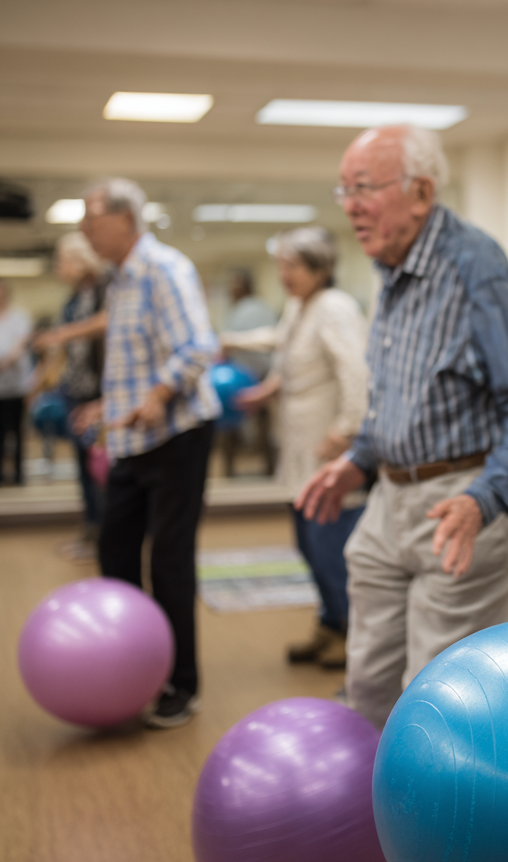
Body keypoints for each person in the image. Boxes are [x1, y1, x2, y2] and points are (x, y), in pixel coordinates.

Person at [297, 125, 508, 729]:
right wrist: (359, 458)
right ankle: (368, 819)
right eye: (344, 189)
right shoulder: (388, 263)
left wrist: (483, 499)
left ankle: (437, 823)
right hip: (390, 497)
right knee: (365, 682)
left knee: (438, 698)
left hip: (463, 501)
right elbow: (399, 391)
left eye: (363, 188)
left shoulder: (474, 266)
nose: (350, 205)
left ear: (419, 193)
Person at [74, 178, 220, 729]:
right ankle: (132, 662)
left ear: (124, 219)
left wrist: (158, 395)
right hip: (132, 437)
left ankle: (182, 683)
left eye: (92, 220)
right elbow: (136, 356)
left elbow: (198, 347)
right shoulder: (119, 279)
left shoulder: (165, 268)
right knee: (114, 551)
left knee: (169, 559)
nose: (86, 231)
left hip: (178, 435)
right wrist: (106, 406)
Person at [222, 227, 368, 670]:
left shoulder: (334, 307)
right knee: (306, 543)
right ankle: (328, 623)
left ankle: (352, 634)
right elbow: (285, 350)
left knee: (331, 546)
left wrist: (346, 431)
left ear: (321, 268)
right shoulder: (299, 307)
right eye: (280, 265)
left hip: (328, 448)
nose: (284, 274)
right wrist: (266, 388)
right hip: (299, 446)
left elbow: (355, 372)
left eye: (294, 266)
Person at [31, 232, 110, 554]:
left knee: (101, 467)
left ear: (80, 261)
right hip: (73, 390)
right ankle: (91, 529)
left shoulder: (106, 288)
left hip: (99, 393)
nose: (58, 268)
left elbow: (106, 324)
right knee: (82, 465)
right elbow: (62, 349)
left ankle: (105, 534)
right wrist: (39, 380)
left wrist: (62, 333)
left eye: (61, 261)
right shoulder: (73, 299)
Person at [219, 268, 277, 476]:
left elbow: (225, 344)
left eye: (235, 286)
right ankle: (263, 468)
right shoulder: (262, 308)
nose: (232, 290)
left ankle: (260, 467)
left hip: (252, 378)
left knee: (258, 427)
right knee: (257, 427)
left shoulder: (245, 310)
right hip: (250, 377)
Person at [0, 279, 32, 485]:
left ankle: (19, 474)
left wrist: (7, 361)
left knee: (17, 432)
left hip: (17, 386)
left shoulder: (20, 317)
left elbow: (22, 344)